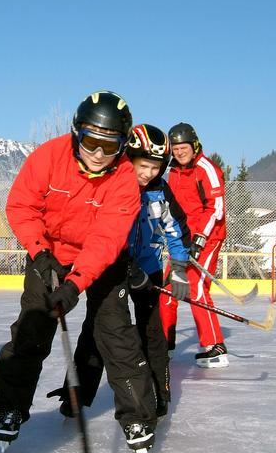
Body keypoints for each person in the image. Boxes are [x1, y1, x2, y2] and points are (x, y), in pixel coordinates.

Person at [0, 92, 159, 453]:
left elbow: (106, 239)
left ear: (122, 145)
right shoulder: (49, 156)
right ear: (76, 133)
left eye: (109, 146)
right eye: (90, 141)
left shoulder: (124, 180)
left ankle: (137, 415)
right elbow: (22, 205)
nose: (97, 154)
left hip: (101, 260)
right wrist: (39, 252)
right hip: (48, 252)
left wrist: (75, 284)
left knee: (115, 333)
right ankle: (10, 406)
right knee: (33, 328)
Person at [47, 125, 191, 428]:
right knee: (99, 330)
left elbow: (176, 230)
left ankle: (159, 395)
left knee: (152, 333)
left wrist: (178, 270)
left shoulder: (159, 191)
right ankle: (76, 394)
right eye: (143, 166)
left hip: (149, 269)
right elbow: (100, 233)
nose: (148, 173)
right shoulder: (112, 185)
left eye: (155, 167)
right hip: (113, 268)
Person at [162, 121, 228, 367]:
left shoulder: (206, 168)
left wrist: (200, 238)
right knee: (168, 287)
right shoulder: (174, 172)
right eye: (176, 148)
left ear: (194, 145)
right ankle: (164, 344)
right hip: (182, 239)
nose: (180, 152)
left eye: (184, 147)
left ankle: (215, 346)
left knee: (196, 287)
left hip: (209, 237)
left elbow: (216, 208)